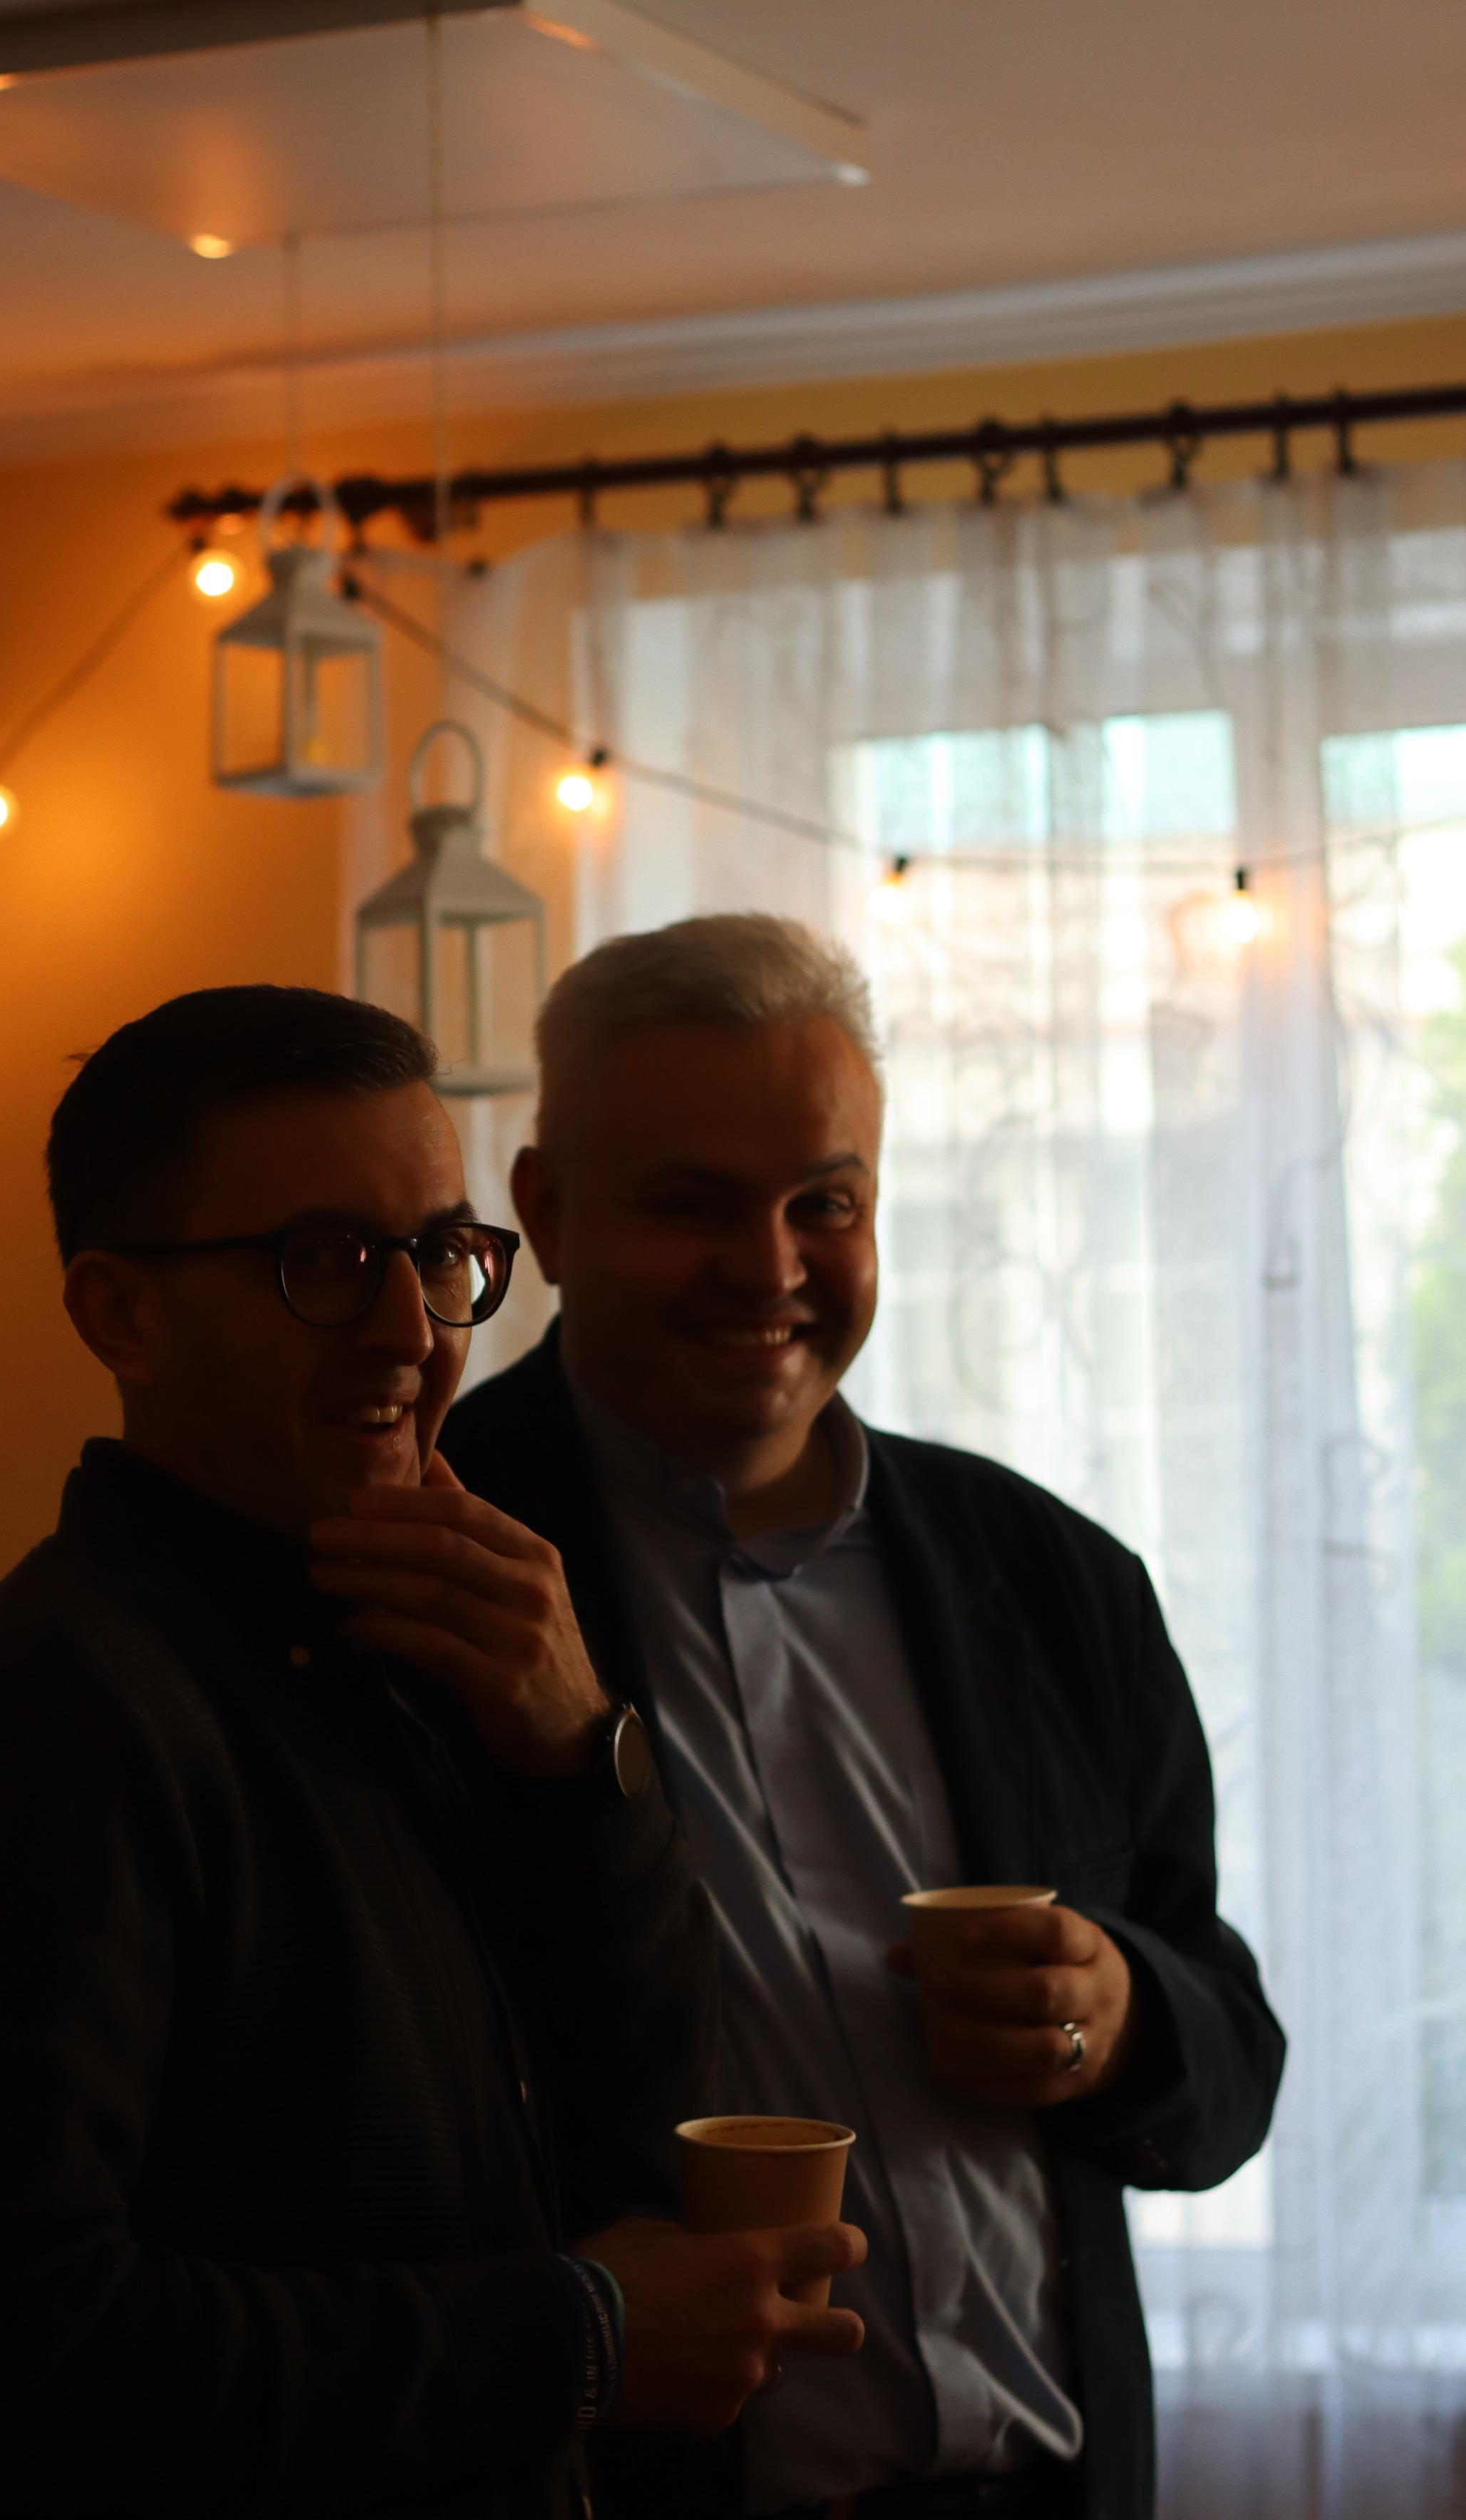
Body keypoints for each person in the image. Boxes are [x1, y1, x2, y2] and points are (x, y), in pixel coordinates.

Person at [0, 982, 870, 2520]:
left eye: (440, 1255)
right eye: (322, 1258)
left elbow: (633, 2146)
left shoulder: (418, 1644)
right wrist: (572, 2342)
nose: (409, 1330)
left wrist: (584, 1762)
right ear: (119, 1313)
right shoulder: (55, 1704)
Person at [444, 918, 1285, 2520]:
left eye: (821, 1204)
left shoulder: (1055, 1577)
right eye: (692, 1204)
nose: (768, 1268)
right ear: (544, 1213)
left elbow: (1234, 2057)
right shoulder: (428, 1570)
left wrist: (1122, 2017)